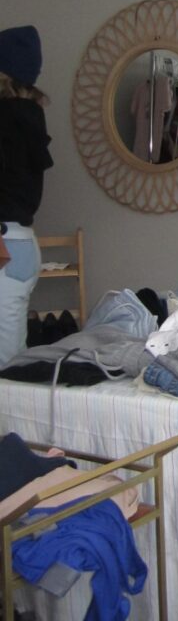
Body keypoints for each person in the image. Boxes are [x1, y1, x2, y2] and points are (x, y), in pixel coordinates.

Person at [0, 25, 53, 369]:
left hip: (3, 245)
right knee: (9, 356)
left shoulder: (5, 123)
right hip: (21, 244)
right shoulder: (30, 119)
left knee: (3, 367)